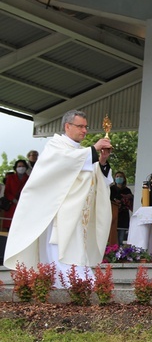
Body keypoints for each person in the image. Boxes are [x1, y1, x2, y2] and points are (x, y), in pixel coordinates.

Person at [4, 110, 113, 283]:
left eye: (86, 127)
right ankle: (70, 283)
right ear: (67, 126)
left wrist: (102, 162)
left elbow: (93, 176)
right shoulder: (56, 147)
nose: (84, 130)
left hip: (78, 213)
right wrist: (93, 150)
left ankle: (72, 283)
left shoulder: (81, 152)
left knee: (75, 250)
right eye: (80, 126)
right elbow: (67, 163)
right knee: (62, 251)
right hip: (59, 214)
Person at [2, 160, 30, 231]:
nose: (21, 168)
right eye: (19, 166)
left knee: (22, 227)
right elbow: (7, 192)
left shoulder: (29, 178)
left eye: (23, 166)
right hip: (12, 205)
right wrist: (14, 200)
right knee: (10, 227)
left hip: (24, 205)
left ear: (26, 167)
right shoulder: (10, 178)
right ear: (15, 168)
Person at [110, 171, 133, 245]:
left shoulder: (127, 190)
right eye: (117, 177)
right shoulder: (111, 189)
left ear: (124, 179)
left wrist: (123, 201)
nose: (119, 178)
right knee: (112, 238)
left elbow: (130, 201)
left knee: (121, 239)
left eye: (121, 177)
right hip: (113, 215)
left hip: (123, 216)